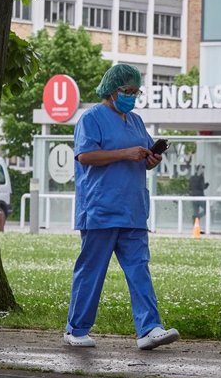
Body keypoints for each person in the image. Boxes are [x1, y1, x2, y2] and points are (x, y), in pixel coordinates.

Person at [63, 64, 179, 350]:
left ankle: (149, 329)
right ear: (111, 91)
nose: (132, 96)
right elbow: (85, 156)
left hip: (133, 209)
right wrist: (124, 153)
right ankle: (76, 329)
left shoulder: (136, 121)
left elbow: (145, 153)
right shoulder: (91, 119)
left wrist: (152, 159)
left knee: (139, 269)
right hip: (100, 208)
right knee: (91, 271)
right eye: (127, 91)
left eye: (135, 91)